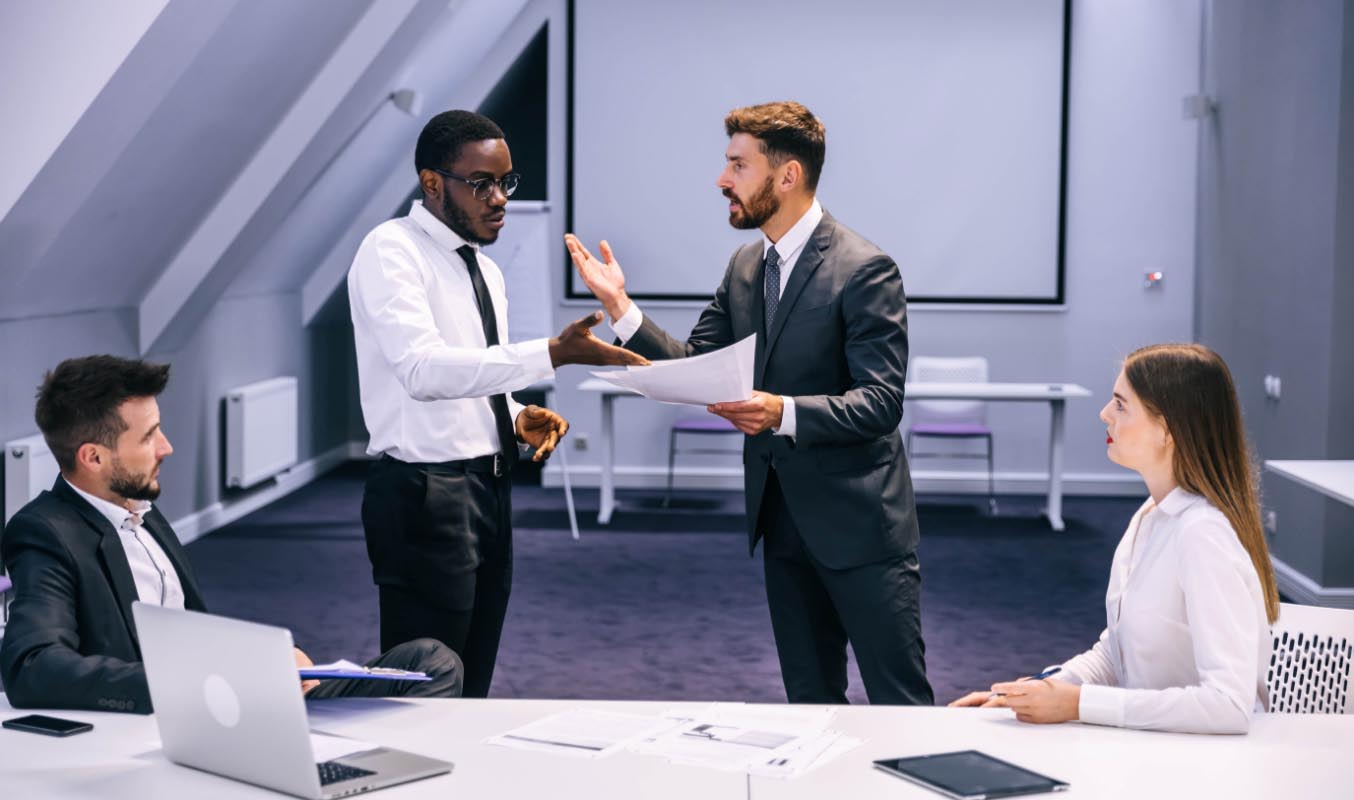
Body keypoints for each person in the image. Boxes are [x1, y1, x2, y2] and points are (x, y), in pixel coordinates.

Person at [567, 101, 932, 706]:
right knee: (811, 704)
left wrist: (781, 412)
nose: (722, 180)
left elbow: (880, 402)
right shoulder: (744, 265)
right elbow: (694, 365)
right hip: (780, 522)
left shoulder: (865, 268)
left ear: (786, 176)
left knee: (903, 705)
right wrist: (620, 308)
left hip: (862, 528)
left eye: (738, 166)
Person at [347, 110, 647, 699]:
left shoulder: (484, 268)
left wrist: (513, 416)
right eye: (481, 182)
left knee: (474, 677)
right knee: (424, 681)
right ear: (432, 183)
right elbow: (422, 370)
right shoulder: (391, 251)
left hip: (488, 488)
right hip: (423, 492)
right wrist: (553, 355)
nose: (499, 199)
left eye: (506, 182)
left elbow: (475, 379)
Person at [0, 356, 463, 714]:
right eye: (148, 438)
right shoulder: (46, 534)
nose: (167, 448)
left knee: (430, 661)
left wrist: (269, 659)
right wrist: (210, 677)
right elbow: (33, 668)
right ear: (93, 458)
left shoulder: (143, 510)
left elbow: (190, 627)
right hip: (177, 717)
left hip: (232, 697)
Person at [950, 343, 1280, 734]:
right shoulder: (1150, 516)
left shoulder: (1202, 536)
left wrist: (1077, 704)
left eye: (1121, 405)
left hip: (1208, 765)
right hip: (1153, 745)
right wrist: (1034, 691)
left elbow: (1228, 706)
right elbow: (1116, 654)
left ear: (1167, 430)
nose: (1105, 414)